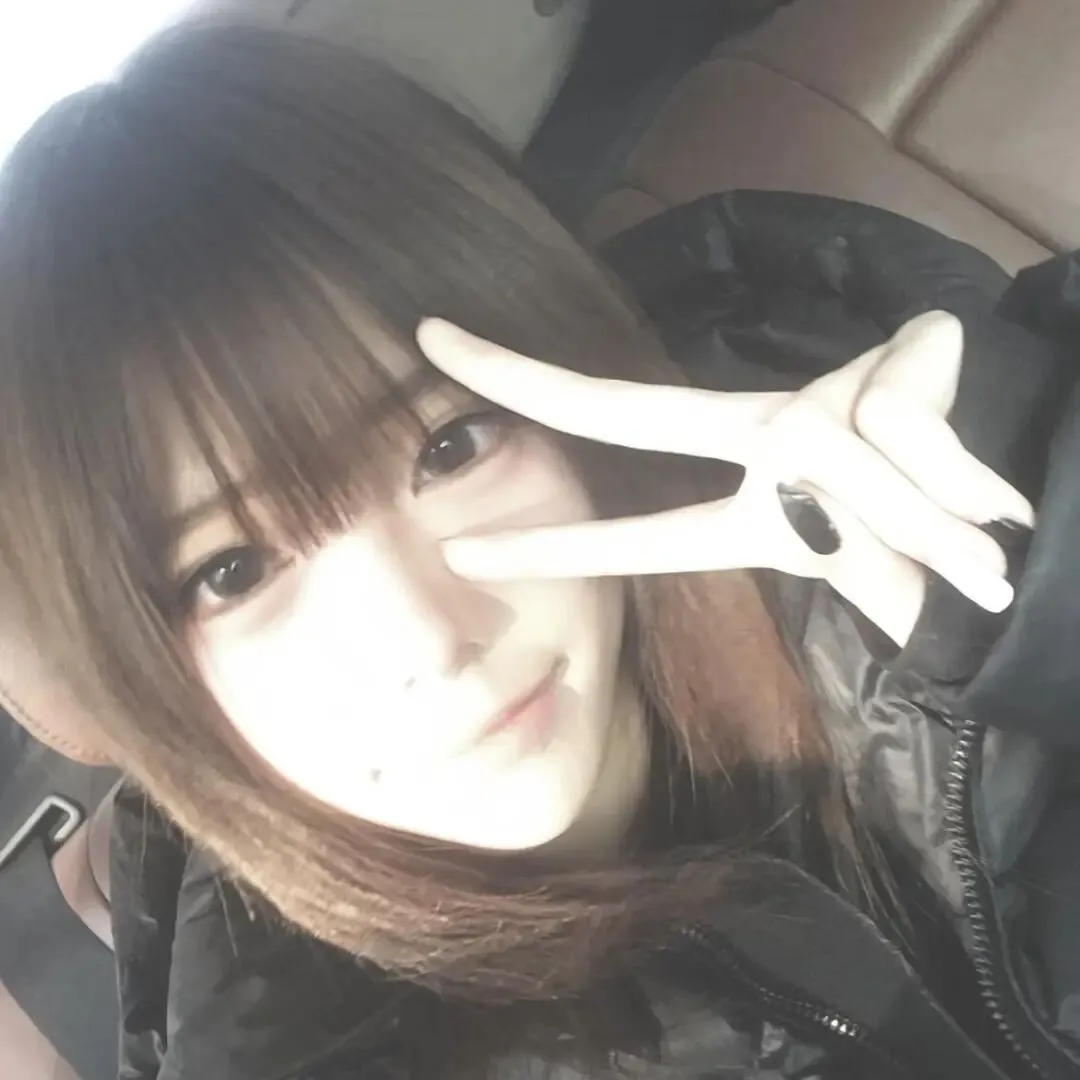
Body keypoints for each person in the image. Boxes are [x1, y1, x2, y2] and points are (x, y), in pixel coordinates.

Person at [1, 18, 1079, 1080]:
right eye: (232, 571)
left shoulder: (879, 451)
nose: (429, 640)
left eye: (449, 448)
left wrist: (1038, 559)